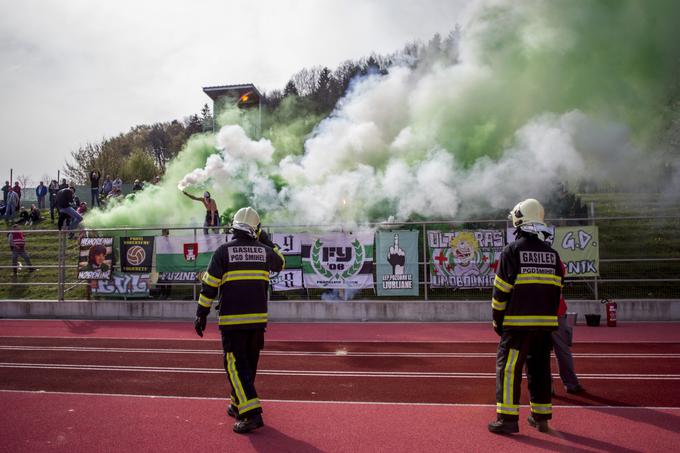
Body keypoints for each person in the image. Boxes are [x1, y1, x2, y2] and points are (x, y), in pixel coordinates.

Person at [193, 206, 285, 434]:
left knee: (235, 366)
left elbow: (210, 286)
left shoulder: (223, 252)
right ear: (256, 230)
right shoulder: (265, 251)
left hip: (233, 321)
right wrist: (266, 240)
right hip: (257, 322)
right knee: (248, 365)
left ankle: (251, 414)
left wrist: (201, 313)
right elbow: (281, 262)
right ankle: (237, 404)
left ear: (233, 227)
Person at [488, 198, 564, 435]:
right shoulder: (552, 255)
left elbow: (500, 292)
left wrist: (497, 321)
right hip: (545, 326)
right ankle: (540, 418)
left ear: (518, 221)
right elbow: (557, 290)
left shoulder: (511, 251)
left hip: (517, 326)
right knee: (540, 369)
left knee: (509, 370)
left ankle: (508, 420)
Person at [552, 262, 584, 395]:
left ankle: (544, 387)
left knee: (538, 353)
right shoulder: (554, 259)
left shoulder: (523, 258)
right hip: (557, 312)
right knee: (563, 351)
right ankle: (571, 383)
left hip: (537, 313)